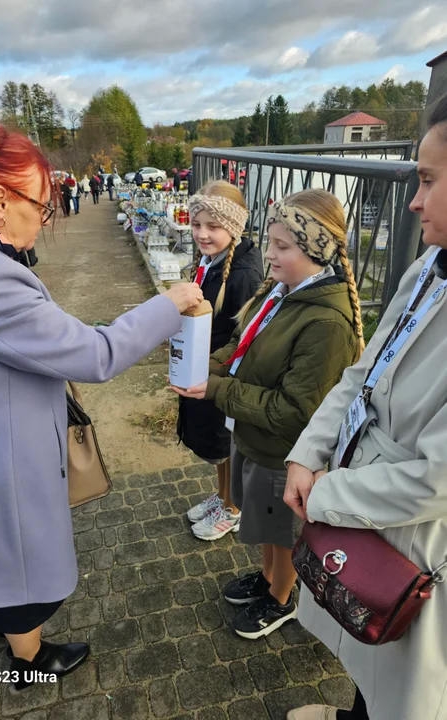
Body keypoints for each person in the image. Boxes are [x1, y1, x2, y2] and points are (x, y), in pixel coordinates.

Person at [0, 106, 203, 692]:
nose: (44, 222)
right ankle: (28, 664)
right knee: (17, 569)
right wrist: (169, 303)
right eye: (41, 207)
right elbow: (96, 355)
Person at [284, 95, 447, 720]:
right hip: (363, 500)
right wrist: (309, 451)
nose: (412, 201)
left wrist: (325, 496)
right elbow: (365, 371)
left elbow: (436, 479)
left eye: (428, 181)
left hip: (412, 538)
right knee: (369, 647)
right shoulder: (429, 266)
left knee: (404, 670)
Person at [173, 188, 363, 640]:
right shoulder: (282, 293)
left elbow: (293, 412)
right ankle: (268, 580)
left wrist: (215, 388)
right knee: (262, 526)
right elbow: (240, 349)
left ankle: (281, 599)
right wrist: (203, 365)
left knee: (282, 534)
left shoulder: (324, 323)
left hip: (282, 453)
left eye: (282, 247)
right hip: (254, 438)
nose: (269, 256)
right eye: (270, 242)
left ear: (316, 251)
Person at [175, 180, 263, 540]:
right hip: (206, 369)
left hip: (224, 377)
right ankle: (224, 496)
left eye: (213, 226)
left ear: (234, 226)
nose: (202, 234)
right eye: (197, 225)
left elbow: (241, 339)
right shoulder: (213, 261)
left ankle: (234, 508)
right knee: (219, 450)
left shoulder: (244, 275)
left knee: (227, 446)